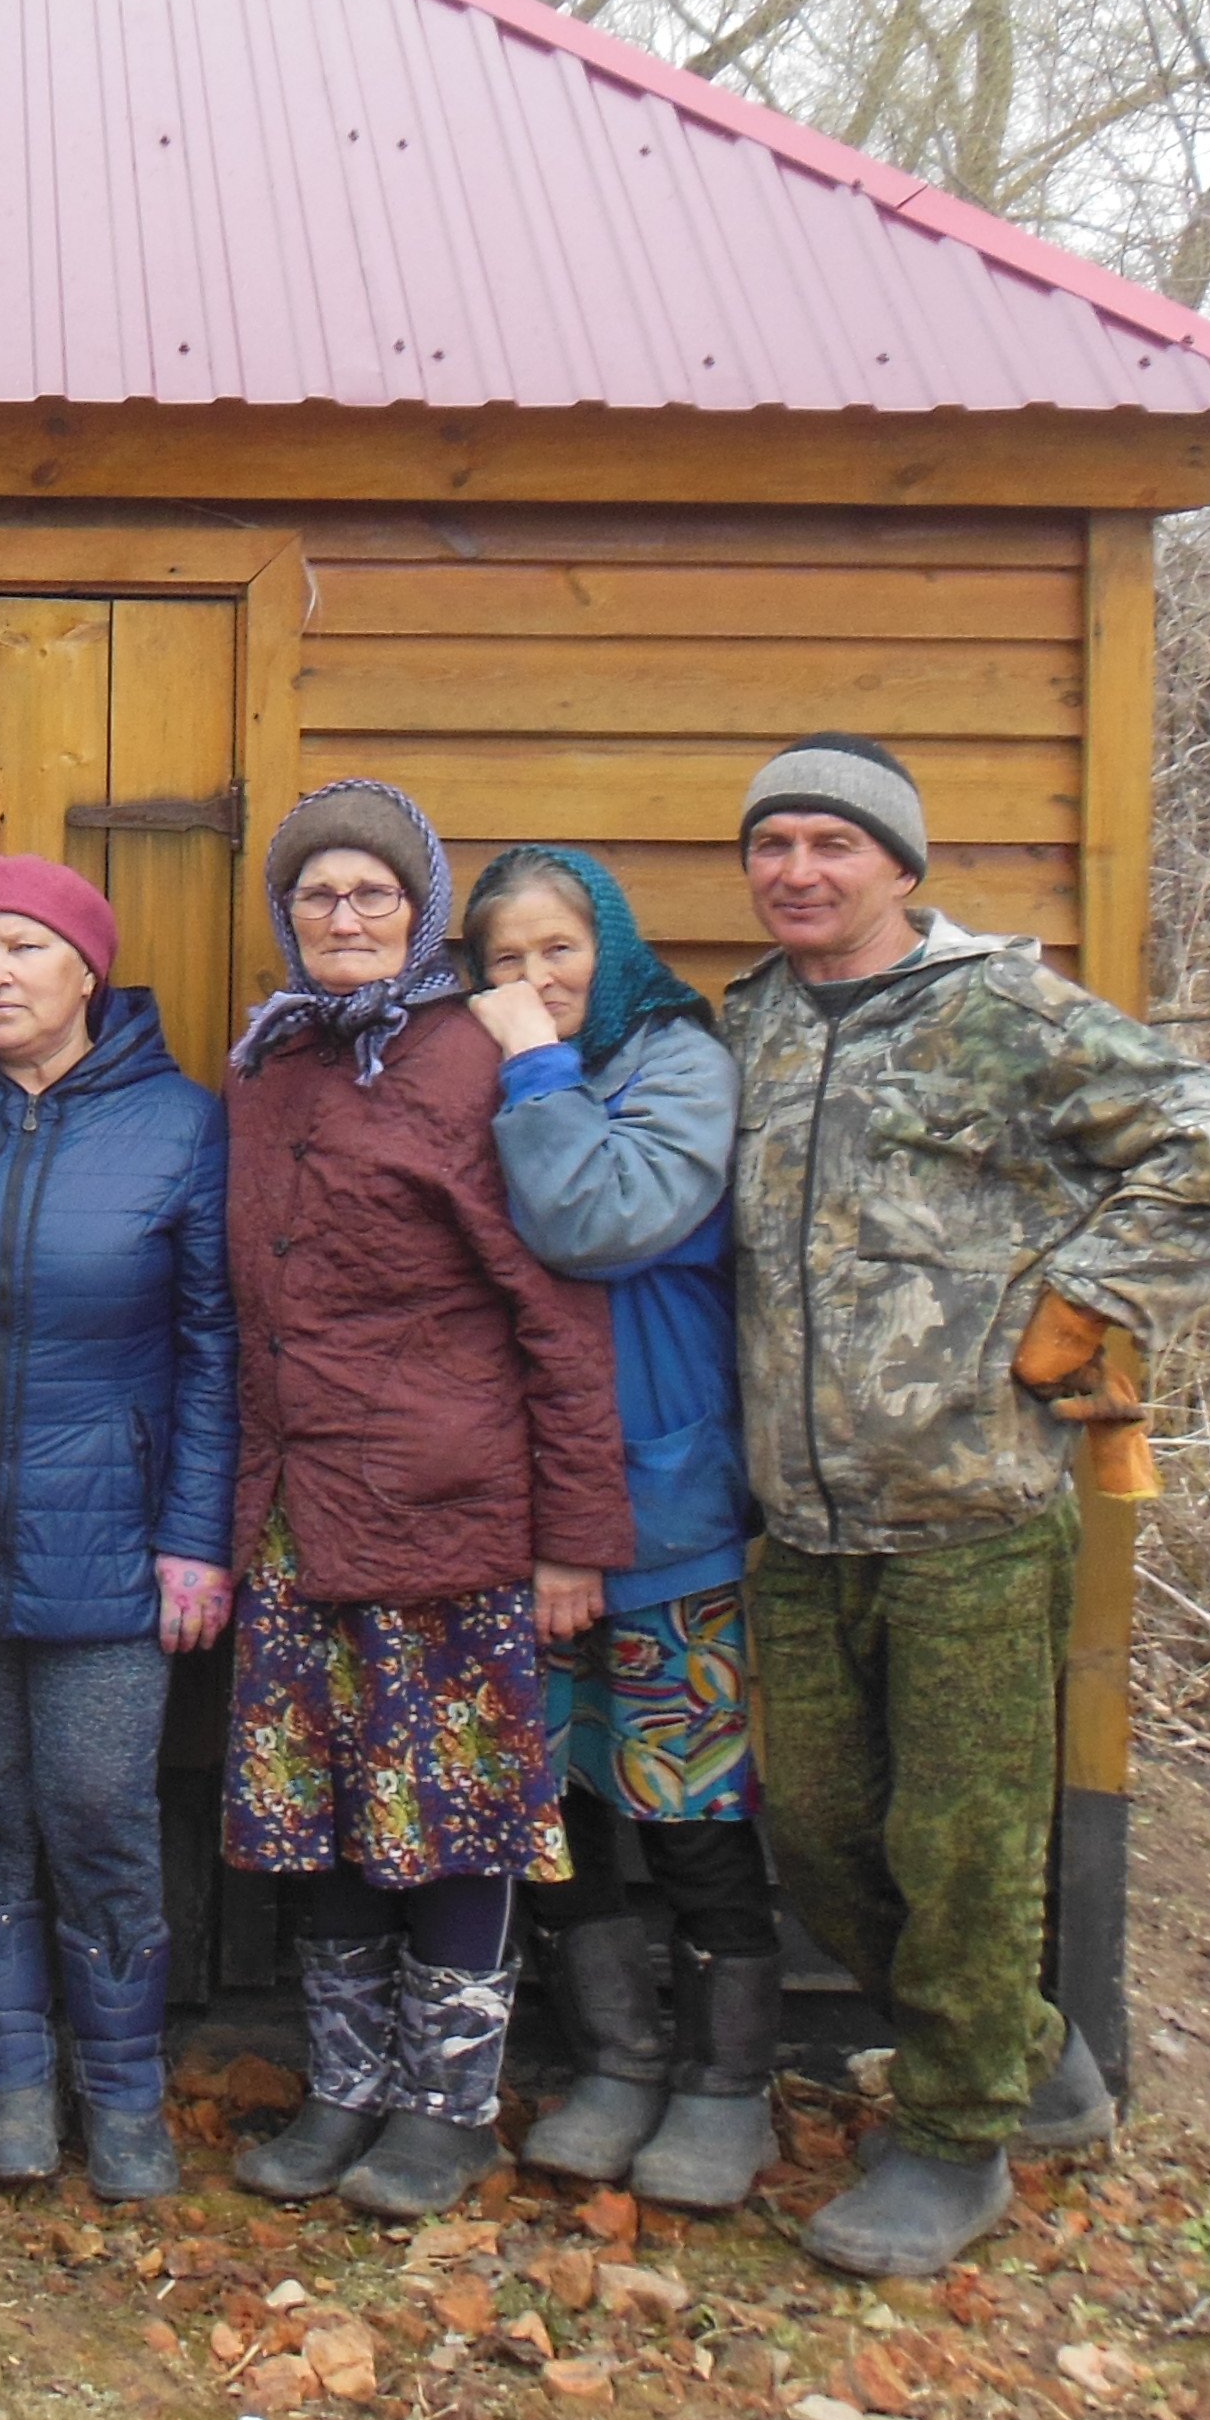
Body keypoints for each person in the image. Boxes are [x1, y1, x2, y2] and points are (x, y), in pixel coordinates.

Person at [721, 734, 1210, 2277]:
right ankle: (1033, 2060)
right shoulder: (754, 1026)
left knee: (964, 1842)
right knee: (825, 1835)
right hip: (802, 1522)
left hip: (969, 1509)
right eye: (774, 846)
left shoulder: (1002, 1014)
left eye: (833, 844)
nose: (799, 872)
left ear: (901, 865)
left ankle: (956, 2146)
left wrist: (1089, 1300)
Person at [217, 780, 630, 2221]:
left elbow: (557, 1311)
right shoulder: (267, 1065)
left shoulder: (476, 1058)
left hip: (446, 1516)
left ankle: (445, 2112)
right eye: (320, 895)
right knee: (324, 1813)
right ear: (288, 915)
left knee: (452, 1813)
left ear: (421, 912)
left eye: (373, 895)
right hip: (293, 1516)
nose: (345, 917)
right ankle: (342, 2095)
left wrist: (576, 1534)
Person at [0, 855, 234, 2204]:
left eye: (24, 949)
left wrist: (196, 1536)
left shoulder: (182, 1125)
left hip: (113, 1543)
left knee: (97, 1808)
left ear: (89, 968)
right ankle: (15, 2073)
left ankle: (123, 2090)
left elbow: (211, 1348)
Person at [459, 845, 776, 2213]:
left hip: (667, 1502)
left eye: (558, 951)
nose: (532, 984)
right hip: (518, 1501)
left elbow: (601, 1217)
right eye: (502, 963)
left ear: (613, 945)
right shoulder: (480, 1064)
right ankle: (618, 2060)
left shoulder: (675, 1061)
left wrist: (529, 1060)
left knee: (692, 1796)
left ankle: (729, 2084)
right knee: (559, 1797)